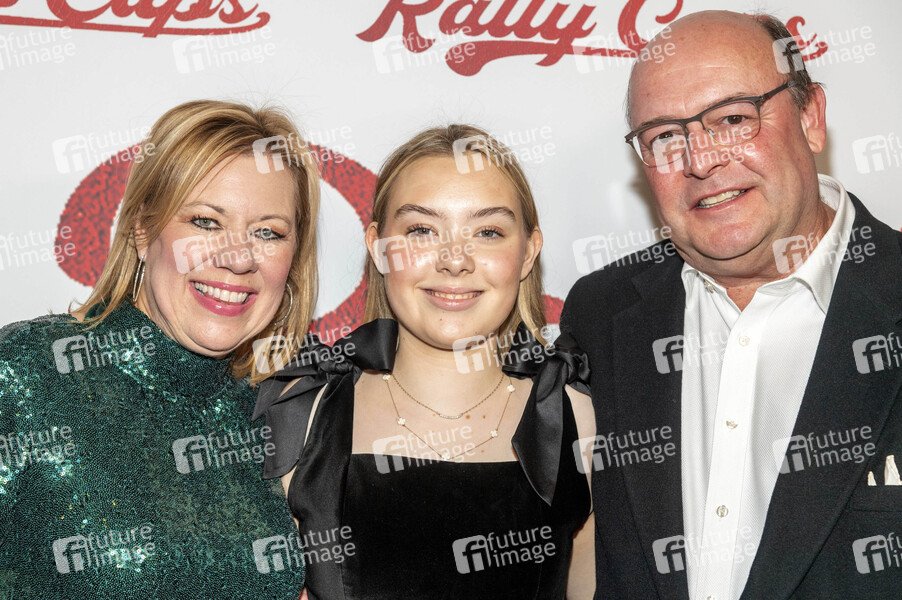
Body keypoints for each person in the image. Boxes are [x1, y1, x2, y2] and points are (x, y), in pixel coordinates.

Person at [562, 10, 902, 600]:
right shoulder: (601, 313)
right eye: (665, 137)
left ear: (811, 117)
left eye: (733, 118)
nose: (700, 160)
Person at [253, 125, 597, 599]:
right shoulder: (302, 411)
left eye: (488, 232)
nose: (454, 260)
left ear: (527, 253)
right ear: (379, 248)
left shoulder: (575, 416)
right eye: (422, 230)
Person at [0, 100, 319, 599]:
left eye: (267, 232)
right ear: (143, 230)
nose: (238, 258)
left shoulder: (276, 413)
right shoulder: (27, 372)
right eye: (206, 221)